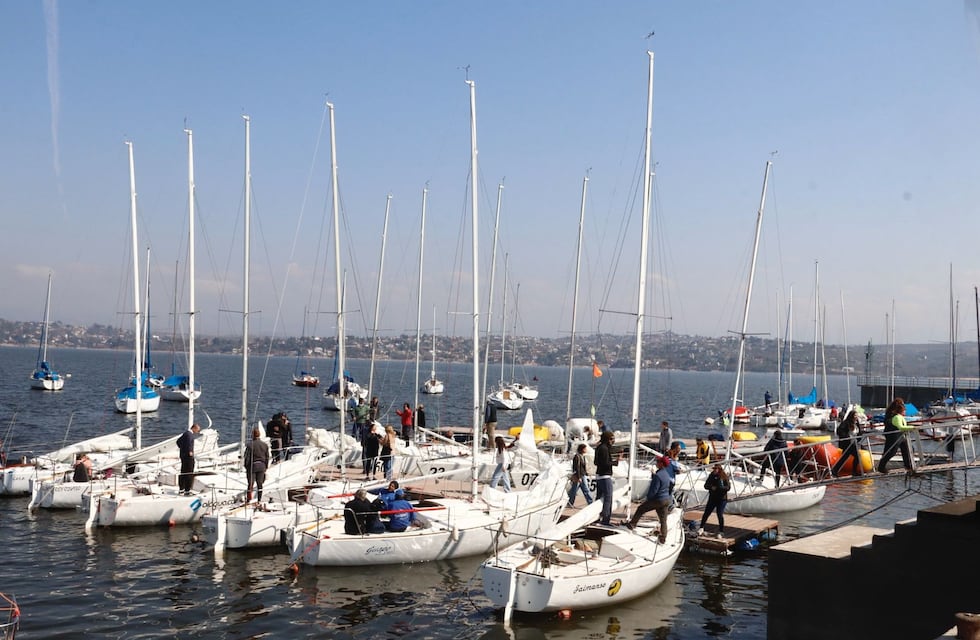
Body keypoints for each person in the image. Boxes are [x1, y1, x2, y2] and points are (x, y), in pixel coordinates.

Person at [626, 455, 671, 544]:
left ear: (662, 464)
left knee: (641, 509)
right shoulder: (666, 474)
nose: (656, 463)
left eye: (658, 462)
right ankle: (663, 538)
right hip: (666, 499)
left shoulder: (658, 476)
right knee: (663, 520)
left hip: (658, 499)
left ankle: (632, 524)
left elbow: (653, 491)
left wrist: (647, 499)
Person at [877, 397, 914, 473]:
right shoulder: (893, 414)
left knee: (907, 448)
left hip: (898, 433)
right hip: (893, 433)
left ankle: (908, 465)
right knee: (891, 451)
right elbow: (892, 423)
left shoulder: (894, 413)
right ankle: (881, 467)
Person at [594, 430, 619, 525]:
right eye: (612, 439)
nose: (613, 441)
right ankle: (605, 520)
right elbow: (605, 463)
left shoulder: (599, 447)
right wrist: (615, 462)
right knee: (608, 498)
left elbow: (596, 462)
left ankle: (595, 518)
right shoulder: (604, 448)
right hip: (605, 476)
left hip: (599, 476)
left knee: (599, 498)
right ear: (607, 439)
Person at [699, 464, 730, 538]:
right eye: (714, 469)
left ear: (719, 469)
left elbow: (728, 487)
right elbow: (706, 485)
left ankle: (721, 531)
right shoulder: (711, 476)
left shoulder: (724, 476)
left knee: (719, 514)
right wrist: (711, 487)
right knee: (707, 512)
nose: (714, 470)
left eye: (716, 469)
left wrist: (720, 488)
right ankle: (701, 528)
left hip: (722, 499)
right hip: (712, 497)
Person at [831, 410, 864, 478]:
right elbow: (839, 431)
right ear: (851, 416)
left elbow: (859, 432)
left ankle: (835, 470)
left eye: (857, 416)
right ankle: (836, 470)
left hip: (853, 443)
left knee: (847, 457)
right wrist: (847, 437)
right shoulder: (846, 423)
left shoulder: (856, 423)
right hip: (847, 443)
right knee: (855, 456)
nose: (856, 417)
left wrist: (859, 437)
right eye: (855, 415)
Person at [243, 427, 270, 502]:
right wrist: (266, 467)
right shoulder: (265, 445)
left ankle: (249, 499)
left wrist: (246, 467)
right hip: (262, 466)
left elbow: (247, 458)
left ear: (252, 435)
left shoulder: (250, 445)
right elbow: (267, 457)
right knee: (260, 484)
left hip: (253, 466)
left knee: (250, 484)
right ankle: (259, 500)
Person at [176, 423, 201, 495]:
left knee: (183, 472)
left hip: (183, 456)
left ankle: (181, 489)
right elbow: (189, 444)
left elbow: (178, 442)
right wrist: (190, 452)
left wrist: (182, 449)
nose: (197, 432)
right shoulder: (190, 435)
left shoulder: (185, 433)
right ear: (194, 428)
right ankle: (187, 490)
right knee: (189, 473)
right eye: (197, 430)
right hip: (188, 457)